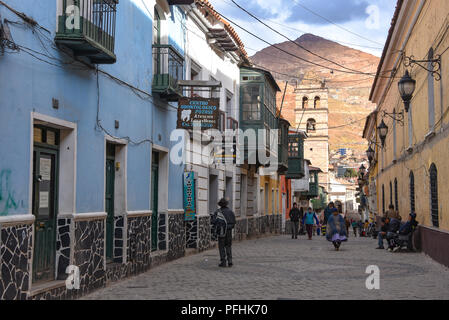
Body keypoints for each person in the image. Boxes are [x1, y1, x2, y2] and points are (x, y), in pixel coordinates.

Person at [211, 198, 236, 267]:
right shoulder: (231, 212)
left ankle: (223, 262)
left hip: (221, 231)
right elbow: (234, 222)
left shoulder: (218, 212)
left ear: (220, 205)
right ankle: (230, 261)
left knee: (221, 247)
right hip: (229, 231)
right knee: (228, 246)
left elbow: (213, 221)